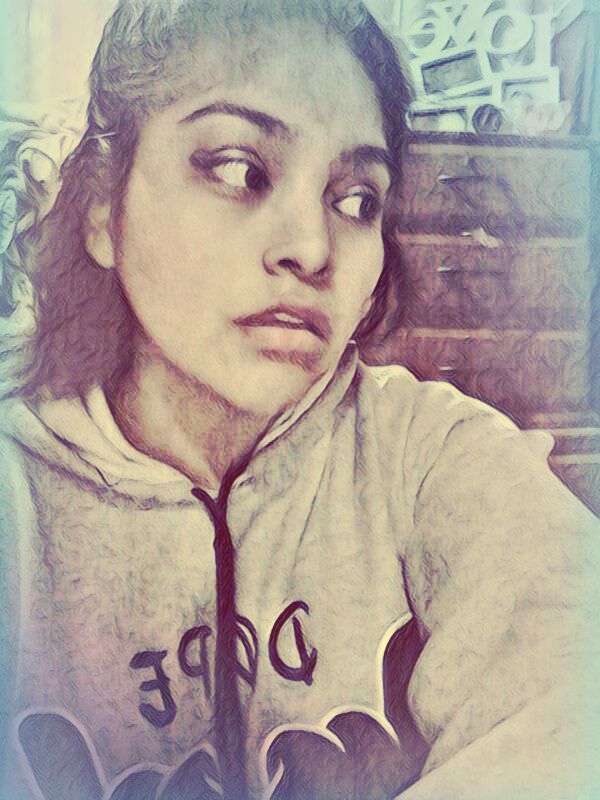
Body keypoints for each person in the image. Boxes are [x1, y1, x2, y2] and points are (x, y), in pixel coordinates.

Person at [0, 1, 598, 798]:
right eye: (238, 170)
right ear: (103, 208)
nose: (314, 250)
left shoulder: (427, 454)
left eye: (357, 200)